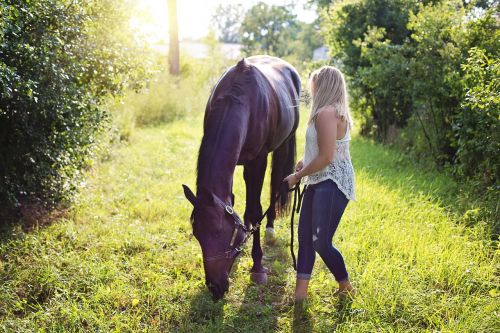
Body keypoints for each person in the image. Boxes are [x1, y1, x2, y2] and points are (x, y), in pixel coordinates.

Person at [283, 66, 356, 301]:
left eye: (313, 85)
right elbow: (325, 149)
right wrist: (304, 161)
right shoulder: (324, 113)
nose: (310, 90)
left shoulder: (327, 113)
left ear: (323, 86)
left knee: (321, 242)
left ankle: (346, 285)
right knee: (305, 238)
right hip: (318, 179)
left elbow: (326, 158)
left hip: (332, 182)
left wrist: (298, 176)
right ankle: (300, 296)